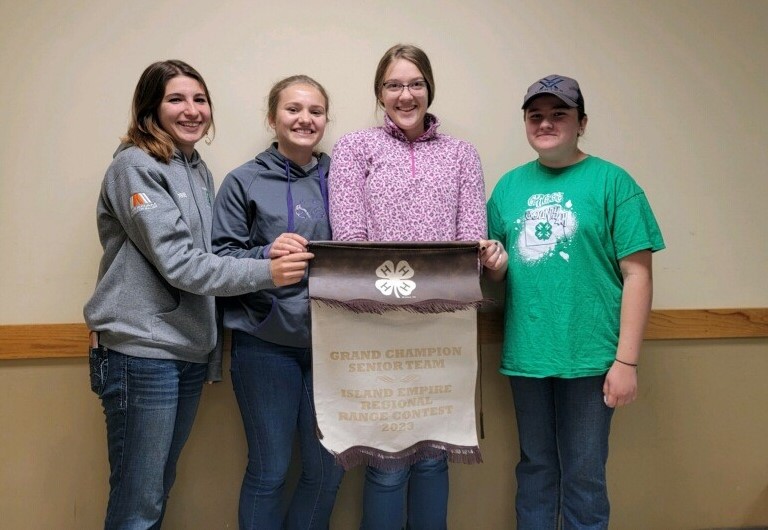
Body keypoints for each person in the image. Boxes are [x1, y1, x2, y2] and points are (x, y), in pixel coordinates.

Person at [83, 60, 313, 529]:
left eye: (200, 99)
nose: (192, 110)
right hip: (140, 350)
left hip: (184, 349)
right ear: (150, 107)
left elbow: (208, 251)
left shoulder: (196, 170)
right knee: (137, 503)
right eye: (176, 99)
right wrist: (269, 271)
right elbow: (182, 264)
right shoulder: (135, 167)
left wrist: (267, 249)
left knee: (156, 489)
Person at [329, 44, 506, 530]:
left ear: (429, 89)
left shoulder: (461, 154)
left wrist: (484, 255)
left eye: (415, 84)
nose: (405, 95)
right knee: (388, 460)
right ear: (379, 92)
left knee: (433, 456)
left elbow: (469, 241)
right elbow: (351, 242)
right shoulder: (355, 148)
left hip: (444, 326)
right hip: (375, 325)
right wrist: (394, 305)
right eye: (394, 85)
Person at [486, 74, 665, 529]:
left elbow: (638, 274)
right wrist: (496, 263)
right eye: (536, 116)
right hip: (527, 354)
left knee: (585, 477)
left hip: (592, 358)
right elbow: (498, 269)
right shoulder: (507, 189)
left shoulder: (613, 183)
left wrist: (627, 362)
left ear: (581, 123)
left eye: (559, 114)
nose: (546, 123)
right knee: (535, 470)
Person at [211, 75, 344, 530]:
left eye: (315, 111)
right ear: (272, 118)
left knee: (327, 469)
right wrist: (266, 253)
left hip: (334, 347)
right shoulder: (243, 181)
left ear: (326, 120)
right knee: (269, 470)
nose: (305, 119)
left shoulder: (342, 176)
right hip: (265, 343)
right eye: (293, 109)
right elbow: (219, 261)